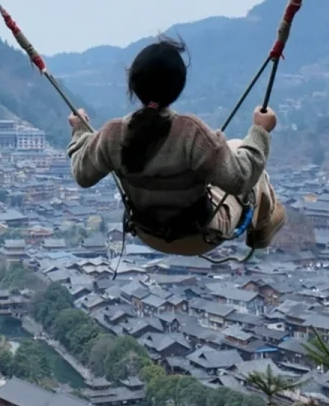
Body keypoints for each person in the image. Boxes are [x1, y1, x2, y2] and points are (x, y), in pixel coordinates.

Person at [67, 37, 286, 256]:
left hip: (148, 234)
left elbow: (82, 174)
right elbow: (241, 179)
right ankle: (263, 228)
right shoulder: (190, 133)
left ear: (132, 85)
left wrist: (80, 131)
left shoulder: (112, 134)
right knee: (247, 155)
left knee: (234, 157)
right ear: (178, 86)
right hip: (199, 236)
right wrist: (260, 131)